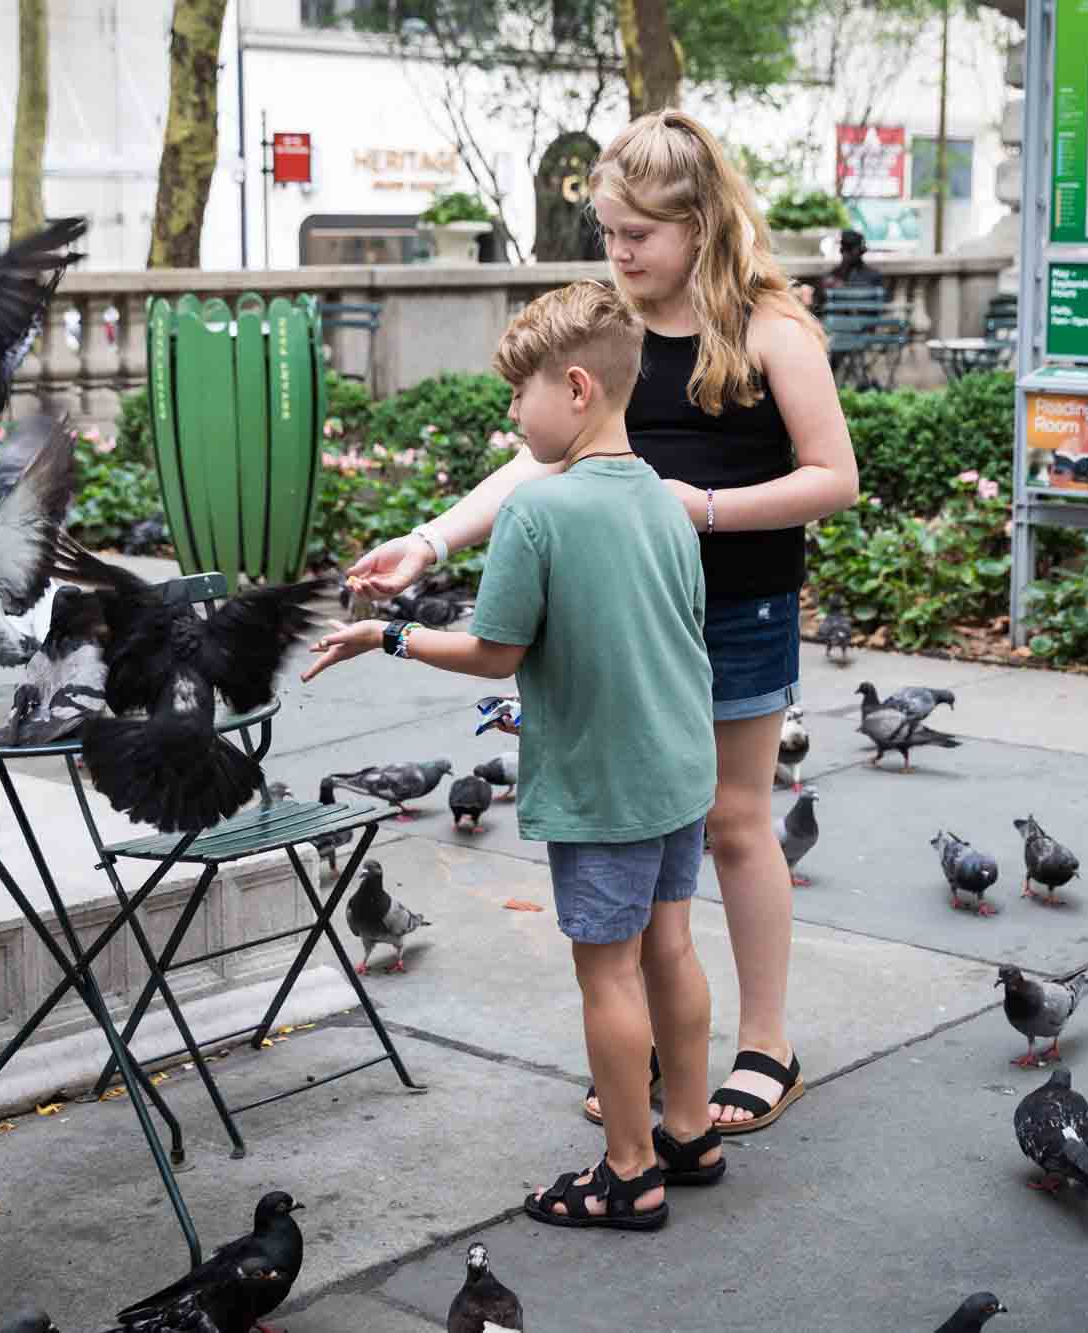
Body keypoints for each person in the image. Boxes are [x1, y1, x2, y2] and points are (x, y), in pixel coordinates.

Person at [347, 110, 858, 1134]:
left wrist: (701, 506)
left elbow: (832, 478)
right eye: (609, 233)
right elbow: (541, 450)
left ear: (700, 225)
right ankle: (665, 1057)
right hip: (624, 616)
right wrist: (429, 543)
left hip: (735, 608)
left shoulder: (771, 328)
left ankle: (765, 1045)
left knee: (732, 823)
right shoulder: (612, 325)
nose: (618, 254)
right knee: (643, 833)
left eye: (637, 235)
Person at [304, 280, 722, 1229]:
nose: (510, 413)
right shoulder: (666, 503)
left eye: (519, 393)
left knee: (608, 973)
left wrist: (389, 637)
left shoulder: (540, 514)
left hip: (602, 783)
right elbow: (685, 635)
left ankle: (629, 1171)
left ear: (576, 387)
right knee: (673, 947)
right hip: (677, 770)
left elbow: (495, 653)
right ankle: (690, 1131)